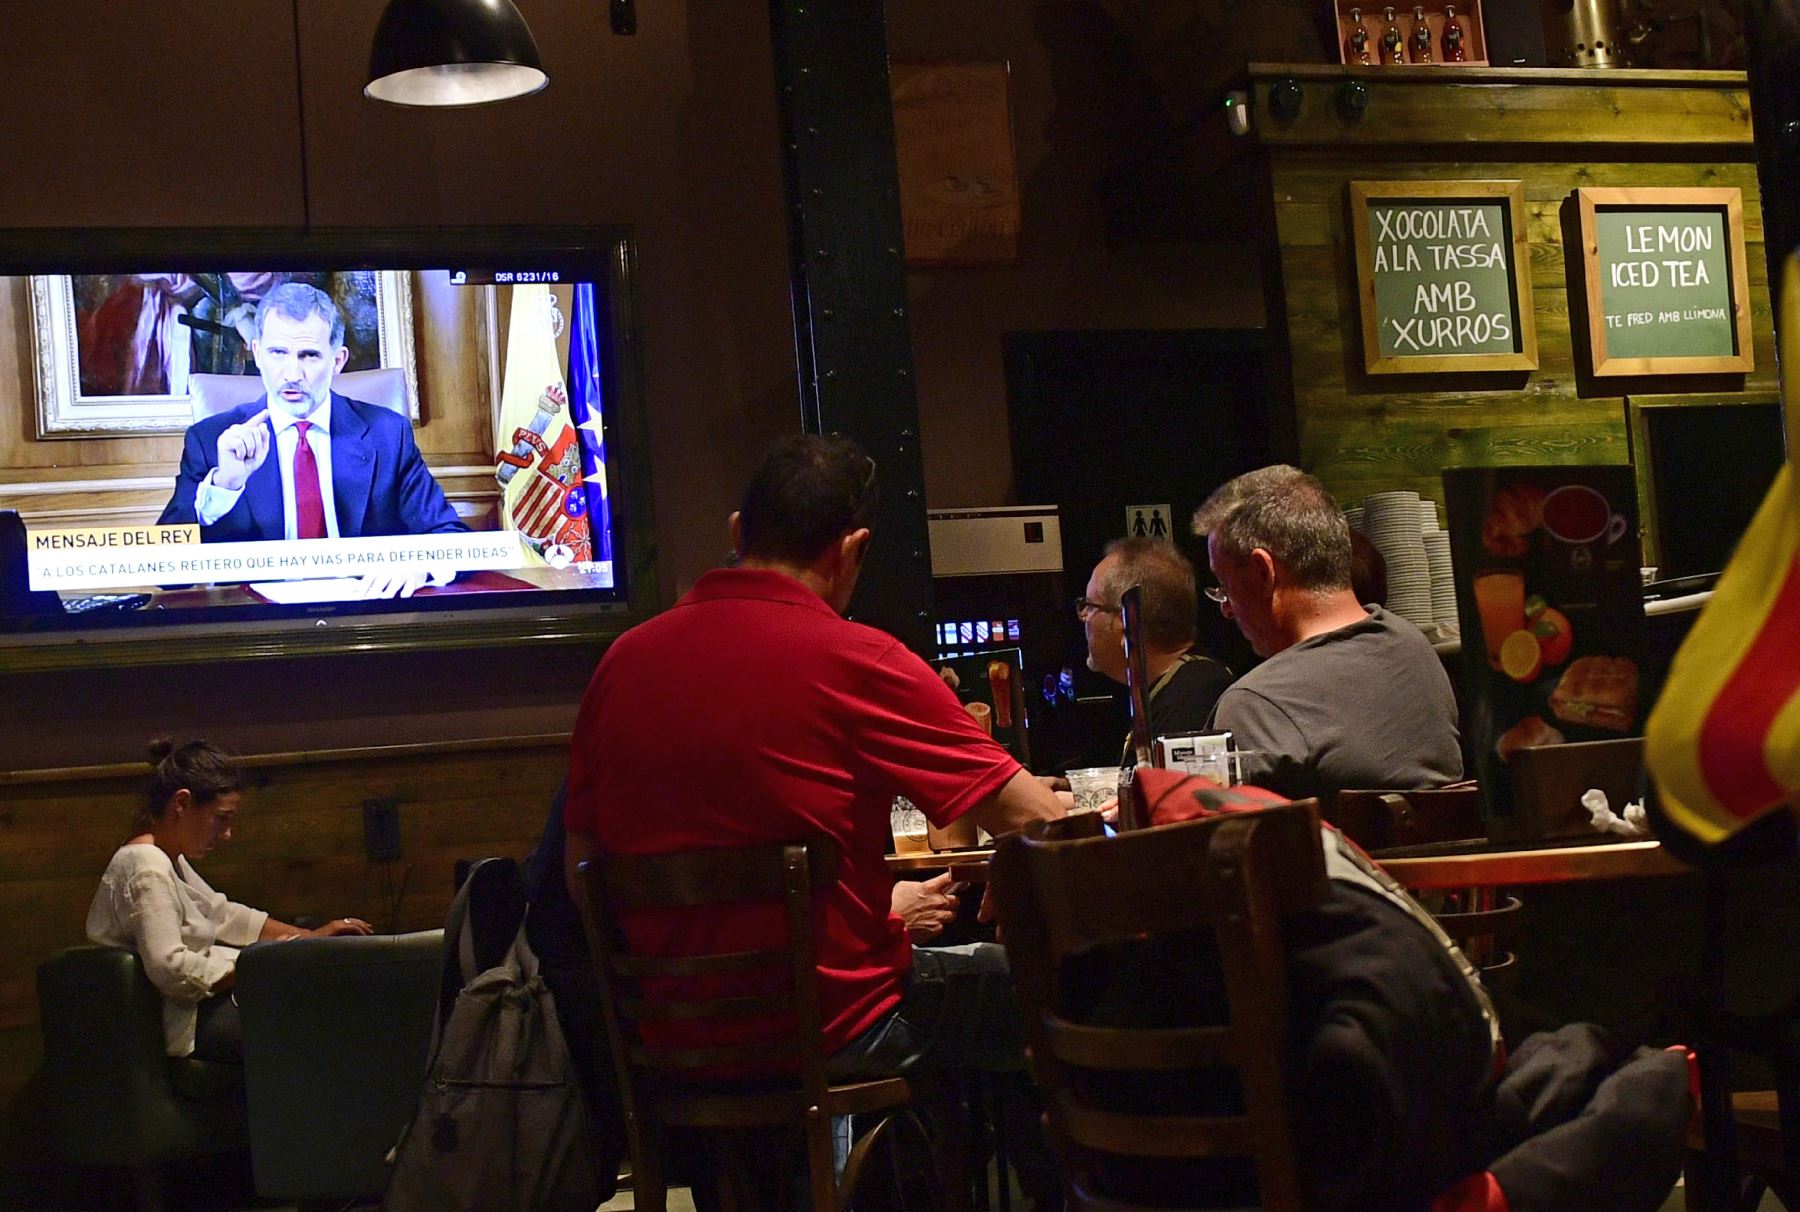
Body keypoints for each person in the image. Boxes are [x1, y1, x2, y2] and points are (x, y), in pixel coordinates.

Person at [562, 433, 1066, 1201]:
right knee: (1046, 980)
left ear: (737, 532)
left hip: (666, 1042)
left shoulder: (620, 663)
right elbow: (1033, 816)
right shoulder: (858, 659)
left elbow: (579, 869)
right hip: (837, 1031)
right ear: (853, 548)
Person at [157, 282, 465, 599]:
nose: (292, 374)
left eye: (309, 355)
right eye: (278, 353)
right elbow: (166, 571)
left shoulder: (388, 434)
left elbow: (451, 536)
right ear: (257, 353)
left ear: (337, 361)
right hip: (257, 627)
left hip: (366, 619)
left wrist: (417, 564)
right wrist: (225, 485)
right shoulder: (210, 440)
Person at [85, 739, 372, 1063]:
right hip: (182, 1025)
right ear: (182, 803)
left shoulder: (165, 858)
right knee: (314, 1026)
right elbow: (170, 968)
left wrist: (309, 939)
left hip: (198, 1012)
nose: (226, 834)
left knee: (325, 1009)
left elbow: (222, 914)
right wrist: (254, 964)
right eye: (221, 818)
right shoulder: (146, 865)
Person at [1191, 465, 1462, 801]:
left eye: (1225, 585)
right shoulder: (1415, 648)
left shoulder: (1256, 704)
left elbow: (1219, 843)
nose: (1226, 607)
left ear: (1263, 572)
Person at [1078, 537, 1233, 759]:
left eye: (1091, 606)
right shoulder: (1181, 685)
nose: (1084, 617)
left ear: (1126, 620)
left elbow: (1171, 793)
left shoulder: (1191, 702)